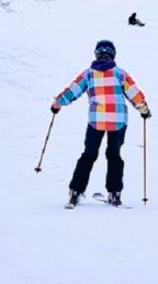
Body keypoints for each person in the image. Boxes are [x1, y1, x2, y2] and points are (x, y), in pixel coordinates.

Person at [51, 40, 151, 207]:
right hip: (118, 121)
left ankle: (75, 191)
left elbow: (72, 91)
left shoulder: (88, 74)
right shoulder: (120, 73)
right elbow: (135, 94)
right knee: (114, 155)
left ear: (97, 54)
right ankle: (114, 193)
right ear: (113, 54)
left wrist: (57, 104)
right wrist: (144, 110)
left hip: (96, 120)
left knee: (88, 155)